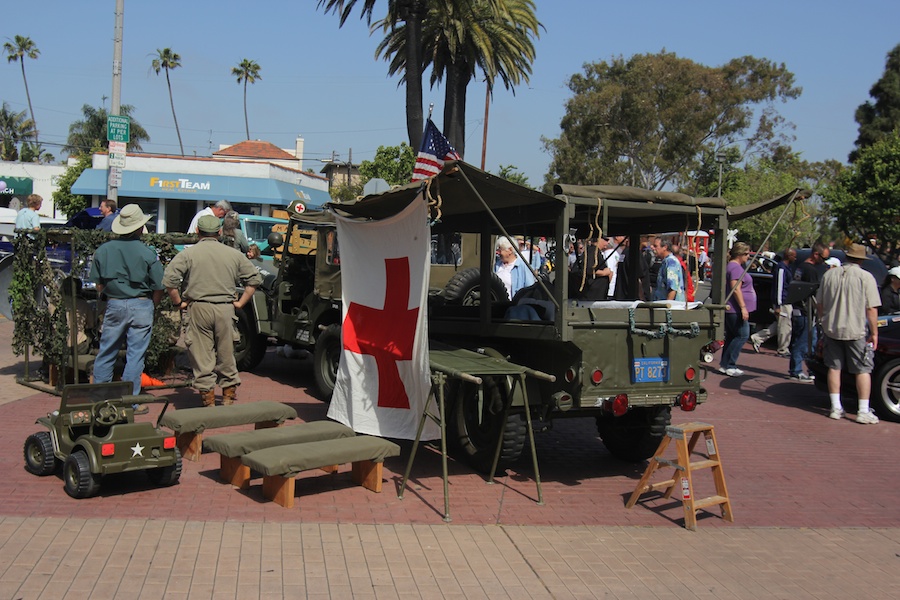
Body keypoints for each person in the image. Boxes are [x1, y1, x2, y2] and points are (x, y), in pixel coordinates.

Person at [163, 214, 262, 407]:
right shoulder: (233, 254)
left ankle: (208, 400)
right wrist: (241, 302)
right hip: (225, 309)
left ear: (198, 231)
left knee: (201, 355)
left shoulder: (187, 254)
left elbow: (169, 282)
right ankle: (228, 397)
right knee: (226, 354)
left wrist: (178, 303)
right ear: (219, 232)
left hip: (198, 307)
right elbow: (254, 280)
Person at [89, 205, 164, 412]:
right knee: (135, 355)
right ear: (140, 228)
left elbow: (98, 285)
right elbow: (159, 286)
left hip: (114, 302)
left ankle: (99, 399)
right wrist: (152, 306)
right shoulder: (148, 253)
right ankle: (131, 401)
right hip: (142, 304)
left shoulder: (103, 250)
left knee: (107, 351)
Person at [817, 243, 881, 424]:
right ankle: (862, 410)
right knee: (863, 369)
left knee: (834, 367)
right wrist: (874, 332)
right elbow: (871, 309)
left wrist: (824, 320)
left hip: (832, 328)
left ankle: (836, 407)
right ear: (861, 260)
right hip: (856, 329)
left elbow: (819, 303)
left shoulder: (829, 275)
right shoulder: (866, 277)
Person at [789, 242, 829, 381]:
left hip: (798, 309)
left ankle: (800, 369)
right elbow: (814, 292)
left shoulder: (800, 266)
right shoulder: (810, 270)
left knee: (801, 340)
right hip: (805, 310)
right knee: (804, 341)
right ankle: (796, 370)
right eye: (823, 258)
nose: (823, 262)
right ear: (815, 254)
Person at [750, 248, 796, 356]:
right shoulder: (781, 269)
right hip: (783, 301)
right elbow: (779, 287)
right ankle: (783, 349)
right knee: (785, 326)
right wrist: (778, 304)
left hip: (787, 300)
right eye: (793, 256)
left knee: (780, 324)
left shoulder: (786, 268)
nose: (795, 258)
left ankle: (757, 337)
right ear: (788, 256)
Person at [719, 242, 756, 377]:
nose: (748, 256)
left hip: (733, 309)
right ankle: (730, 364)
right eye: (746, 254)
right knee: (742, 335)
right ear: (740, 254)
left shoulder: (736, 267)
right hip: (735, 309)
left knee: (732, 335)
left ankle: (724, 364)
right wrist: (743, 307)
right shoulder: (735, 268)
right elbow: (736, 289)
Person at [494, 236, 535, 300]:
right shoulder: (496, 265)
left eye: (500, 250)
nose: (498, 253)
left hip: (514, 306)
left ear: (510, 250)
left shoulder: (523, 266)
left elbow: (530, 290)